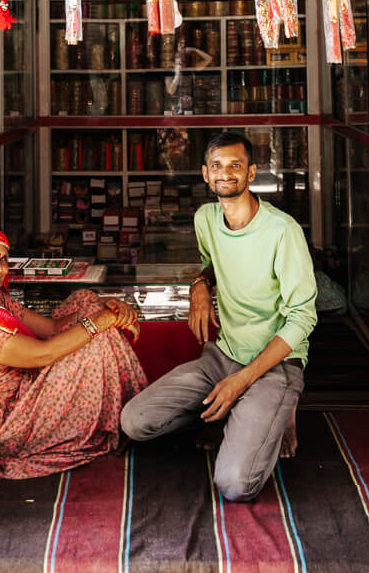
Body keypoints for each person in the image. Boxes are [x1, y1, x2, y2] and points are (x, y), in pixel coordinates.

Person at [121, 130, 317, 502]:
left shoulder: (282, 232)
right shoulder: (206, 219)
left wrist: (242, 381)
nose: (226, 173)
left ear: (252, 173)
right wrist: (199, 284)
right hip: (222, 357)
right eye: (217, 166)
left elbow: (302, 319)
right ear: (205, 174)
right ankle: (229, 414)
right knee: (135, 421)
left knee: (234, 485)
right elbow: (211, 263)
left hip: (274, 366)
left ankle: (274, 408)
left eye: (235, 166)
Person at [0, 224, 147, 478]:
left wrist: (105, 310)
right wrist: (101, 322)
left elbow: (51, 327)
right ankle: (134, 417)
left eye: (2, 260)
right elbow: (42, 353)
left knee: (87, 303)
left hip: (21, 391)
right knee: (96, 338)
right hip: (4, 425)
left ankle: (135, 415)